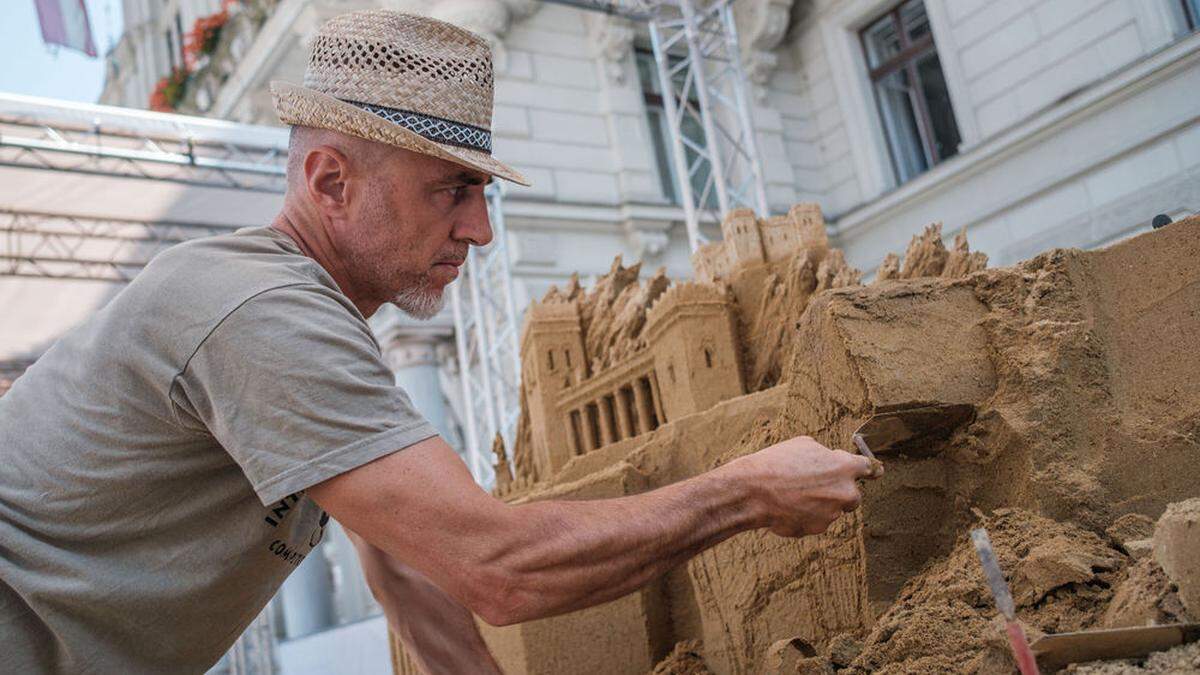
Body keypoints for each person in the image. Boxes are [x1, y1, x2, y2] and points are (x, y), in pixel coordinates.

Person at [0, 10, 875, 674]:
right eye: (451, 191)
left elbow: (411, 577)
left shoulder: (307, 327)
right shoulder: (261, 313)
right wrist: (745, 492)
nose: (481, 229)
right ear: (331, 180)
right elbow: (501, 567)